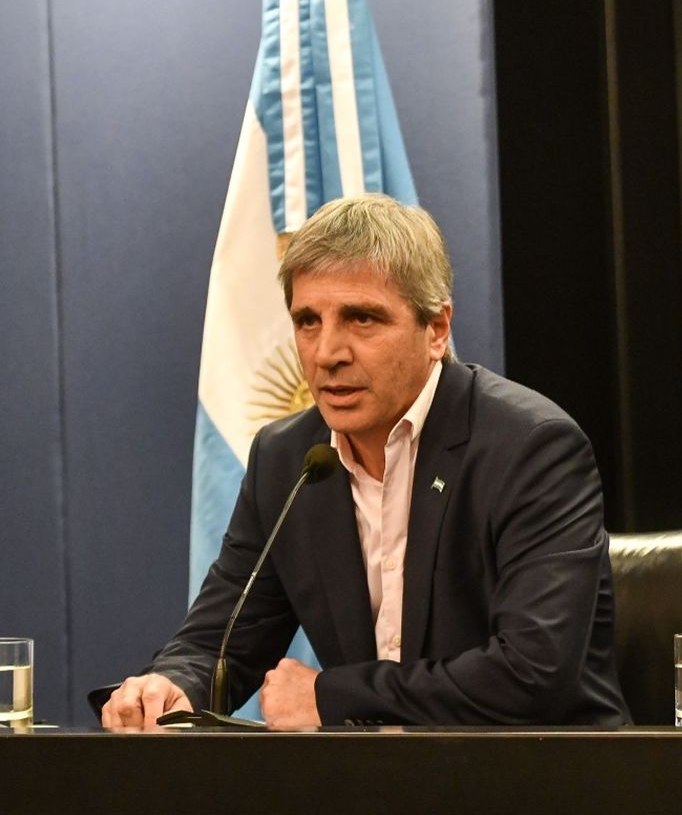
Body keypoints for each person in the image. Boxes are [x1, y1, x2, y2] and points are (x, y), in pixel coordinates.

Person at [102, 195, 630, 729]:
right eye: (308, 320)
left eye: (361, 318)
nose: (327, 351)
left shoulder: (531, 449)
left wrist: (333, 697)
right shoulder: (288, 461)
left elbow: (531, 674)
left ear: (437, 329)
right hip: (377, 789)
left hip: (544, 787)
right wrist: (171, 684)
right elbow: (220, 643)